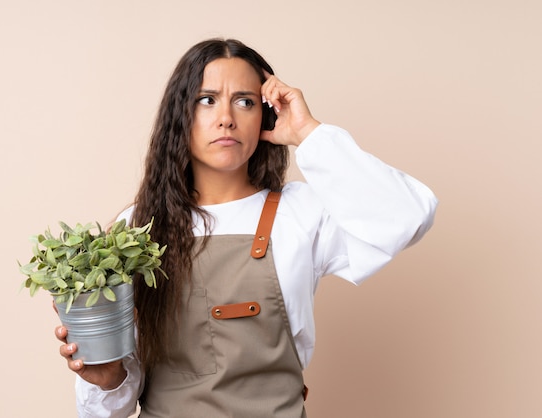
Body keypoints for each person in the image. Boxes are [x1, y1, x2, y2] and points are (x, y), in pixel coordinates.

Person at [55, 38, 438, 417]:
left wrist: (308, 133)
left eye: (245, 101)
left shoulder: (302, 212)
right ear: (180, 116)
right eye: (207, 100)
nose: (226, 118)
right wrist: (106, 379)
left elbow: (409, 217)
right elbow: (108, 410)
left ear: (265, 117)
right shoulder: (136, 230)